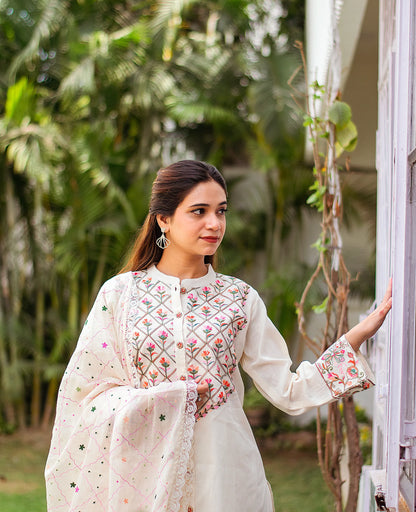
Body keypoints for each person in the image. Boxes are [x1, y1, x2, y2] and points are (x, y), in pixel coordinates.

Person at [45, 160, 392, 512]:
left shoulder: (239, 299)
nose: (214, 224)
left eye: (221, 211)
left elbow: (287, 390)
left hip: (227, 474)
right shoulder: (121, 295)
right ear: (164, 219)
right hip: (143, 475)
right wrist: (170, 397)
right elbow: (85, 393)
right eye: (199, 211)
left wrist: (353, 340)